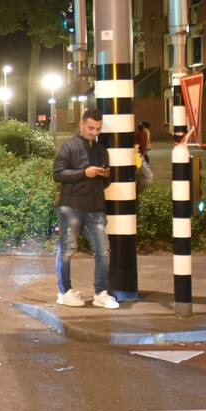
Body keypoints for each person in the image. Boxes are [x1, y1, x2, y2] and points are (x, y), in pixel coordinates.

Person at [52, 108, 119, 309]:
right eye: (91, 128)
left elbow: (106, 183)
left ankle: (101, 293)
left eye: (98, 129)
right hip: (71, 207)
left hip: (96, 208)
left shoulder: (100, 150)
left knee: (103, 250)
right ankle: (65, 292)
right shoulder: (69, 147)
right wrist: (84, 173)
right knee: (67, 250)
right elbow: (58, 174)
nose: (94, 132)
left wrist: (106, 175)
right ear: (81, 124)